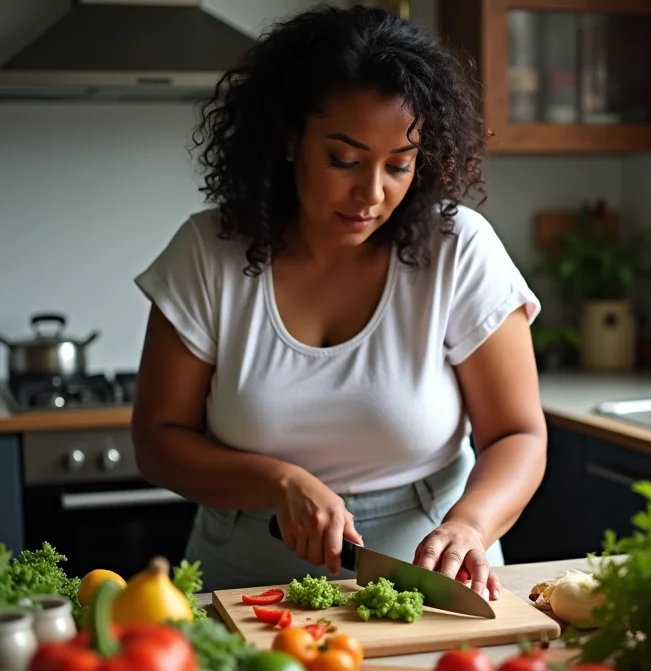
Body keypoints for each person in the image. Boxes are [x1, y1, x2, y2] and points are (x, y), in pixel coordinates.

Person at [131, 3, 547, 598]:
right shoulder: (207, 252)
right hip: (245, 577)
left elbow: (519, 435)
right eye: (345, 160)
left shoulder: (459, 248)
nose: (371, 193)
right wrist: (277, 481)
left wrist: (470, 525)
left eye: (399, 166)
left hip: (431, 575)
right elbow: (157, 441)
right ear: (289, 138)